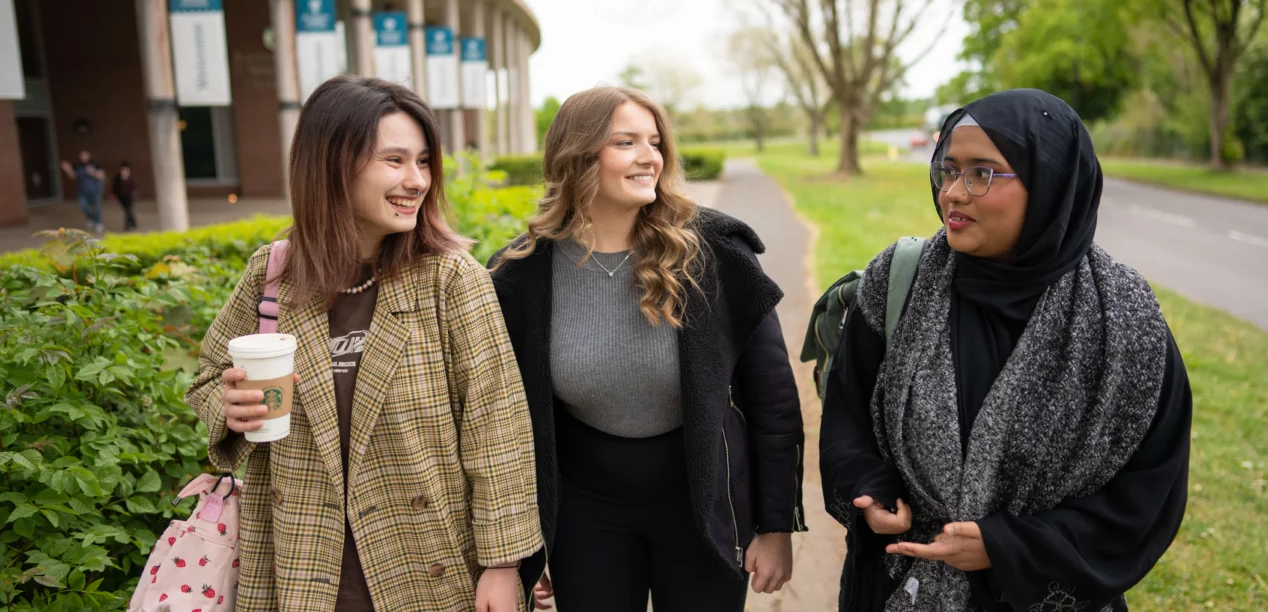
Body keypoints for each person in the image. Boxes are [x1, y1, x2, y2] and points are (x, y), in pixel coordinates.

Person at [819, 88, 1192, 612]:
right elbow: (847, 415)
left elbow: (1149, 490)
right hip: (900, 585)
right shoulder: (898, 282)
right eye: (947, 171)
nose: (953, 193)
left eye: (982, 173)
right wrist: (870, 490)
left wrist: (1007, 546)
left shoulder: (1123, 317)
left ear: (1049, 183)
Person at [186, 76, 543, 612]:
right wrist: (228, 404)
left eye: (424, 162)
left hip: (428, 564)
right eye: (394, 160)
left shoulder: (449, 279)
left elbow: (498, 427)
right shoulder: (275, 272)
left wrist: (501, 564)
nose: (416, 180)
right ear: (331, 164)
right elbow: (211, 375)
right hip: (301, 562)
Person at [488, 86, 806, 612]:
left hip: (703, 502)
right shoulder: (519, 275)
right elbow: (505, 423)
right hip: (586, 509)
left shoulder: (716, 253)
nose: (649, 157)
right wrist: (529, 545)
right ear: (577, 155)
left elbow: (774, 402)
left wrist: (775, 526)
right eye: (626, 142)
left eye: (655, 142)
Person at [61, 149, 106, 234]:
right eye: (82, 156)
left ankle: (98, 223)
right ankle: (91, 218)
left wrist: (93, 172)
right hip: (82, 191)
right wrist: (68, 169)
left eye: (85, 155)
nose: (83, 157)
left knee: (97, 207)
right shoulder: (78, 166)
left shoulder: (96, 165)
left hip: (95, 190)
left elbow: (102, 176)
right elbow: (72, 176)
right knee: (83, 206)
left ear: (89, 156)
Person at [111, 161, 138, 231]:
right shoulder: (117, 178)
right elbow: (115, 187)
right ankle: (134, 223)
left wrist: (134, 194)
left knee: (129, 210)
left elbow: (134, 187)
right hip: (121, 197)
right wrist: (113, 195)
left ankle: (127, 226)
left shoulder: (131, 178)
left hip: (129, 197)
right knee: (127, 210)